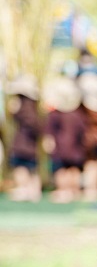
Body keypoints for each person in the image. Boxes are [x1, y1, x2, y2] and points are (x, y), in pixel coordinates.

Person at [42, 76, 88, 203]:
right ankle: (72, 190)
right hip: (75, 147)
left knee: (61, 169)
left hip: (61, 146)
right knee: (73, 168)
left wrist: (49, 141)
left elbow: (49, 131)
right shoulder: (78, 114)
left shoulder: (55, 114)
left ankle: (64, 190)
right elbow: (83, 130)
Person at [6, 74, 42, 202]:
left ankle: (25, 189)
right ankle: (31, 190)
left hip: (22, 144)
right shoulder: (32, 106)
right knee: (31, 168)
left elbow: (33, 124)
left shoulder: (24, 106)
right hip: (29, 144)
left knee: (21, 167)